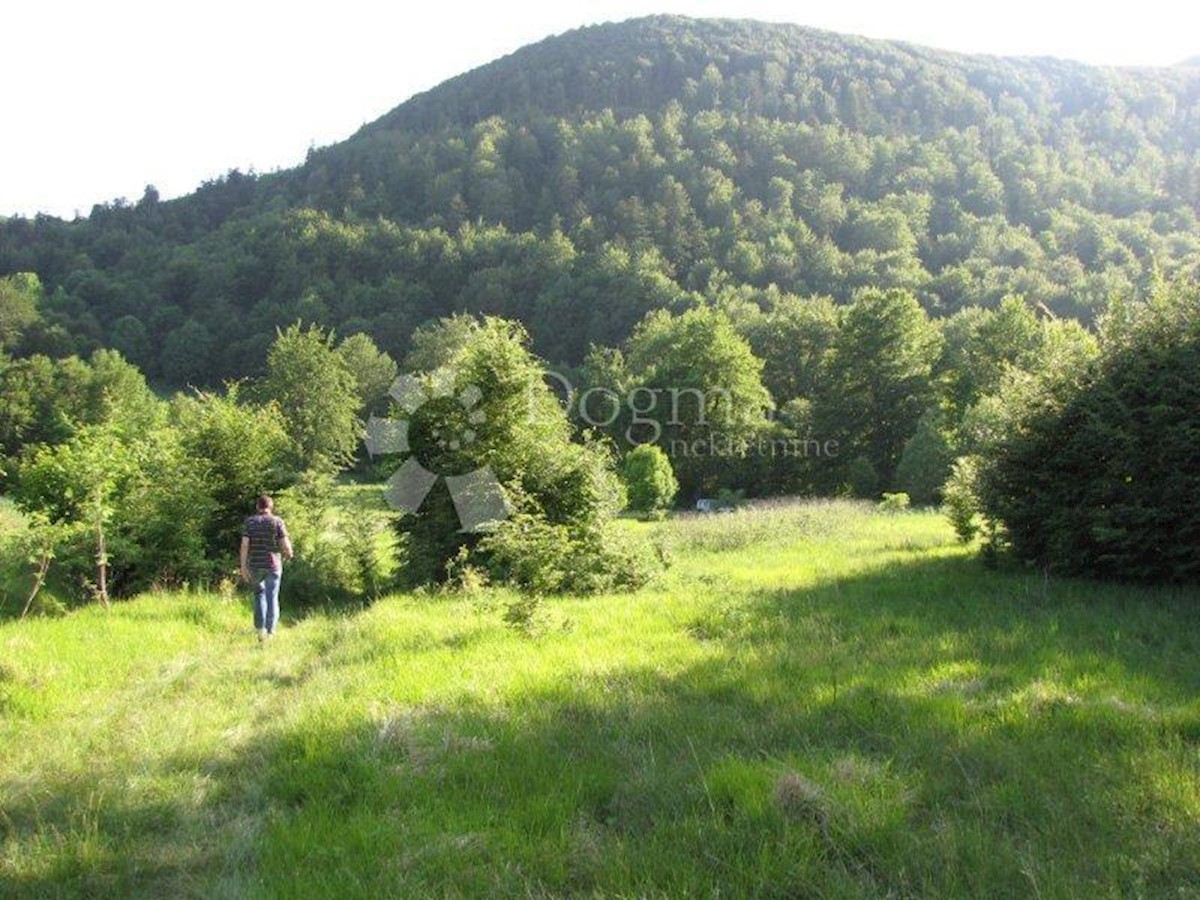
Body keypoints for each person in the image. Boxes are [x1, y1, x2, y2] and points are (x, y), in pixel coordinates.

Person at [239, 495, 294, 641]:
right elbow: (285, 544)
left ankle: (259, 630)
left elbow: (245, 545)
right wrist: (288, 554)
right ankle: (271, 632)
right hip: (273, 565)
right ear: (271, 507)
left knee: (259, 596)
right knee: (272, 597)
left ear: (258, 507)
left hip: (255, 565)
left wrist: (243, 566)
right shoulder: (277, 521)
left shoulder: (249, 522)